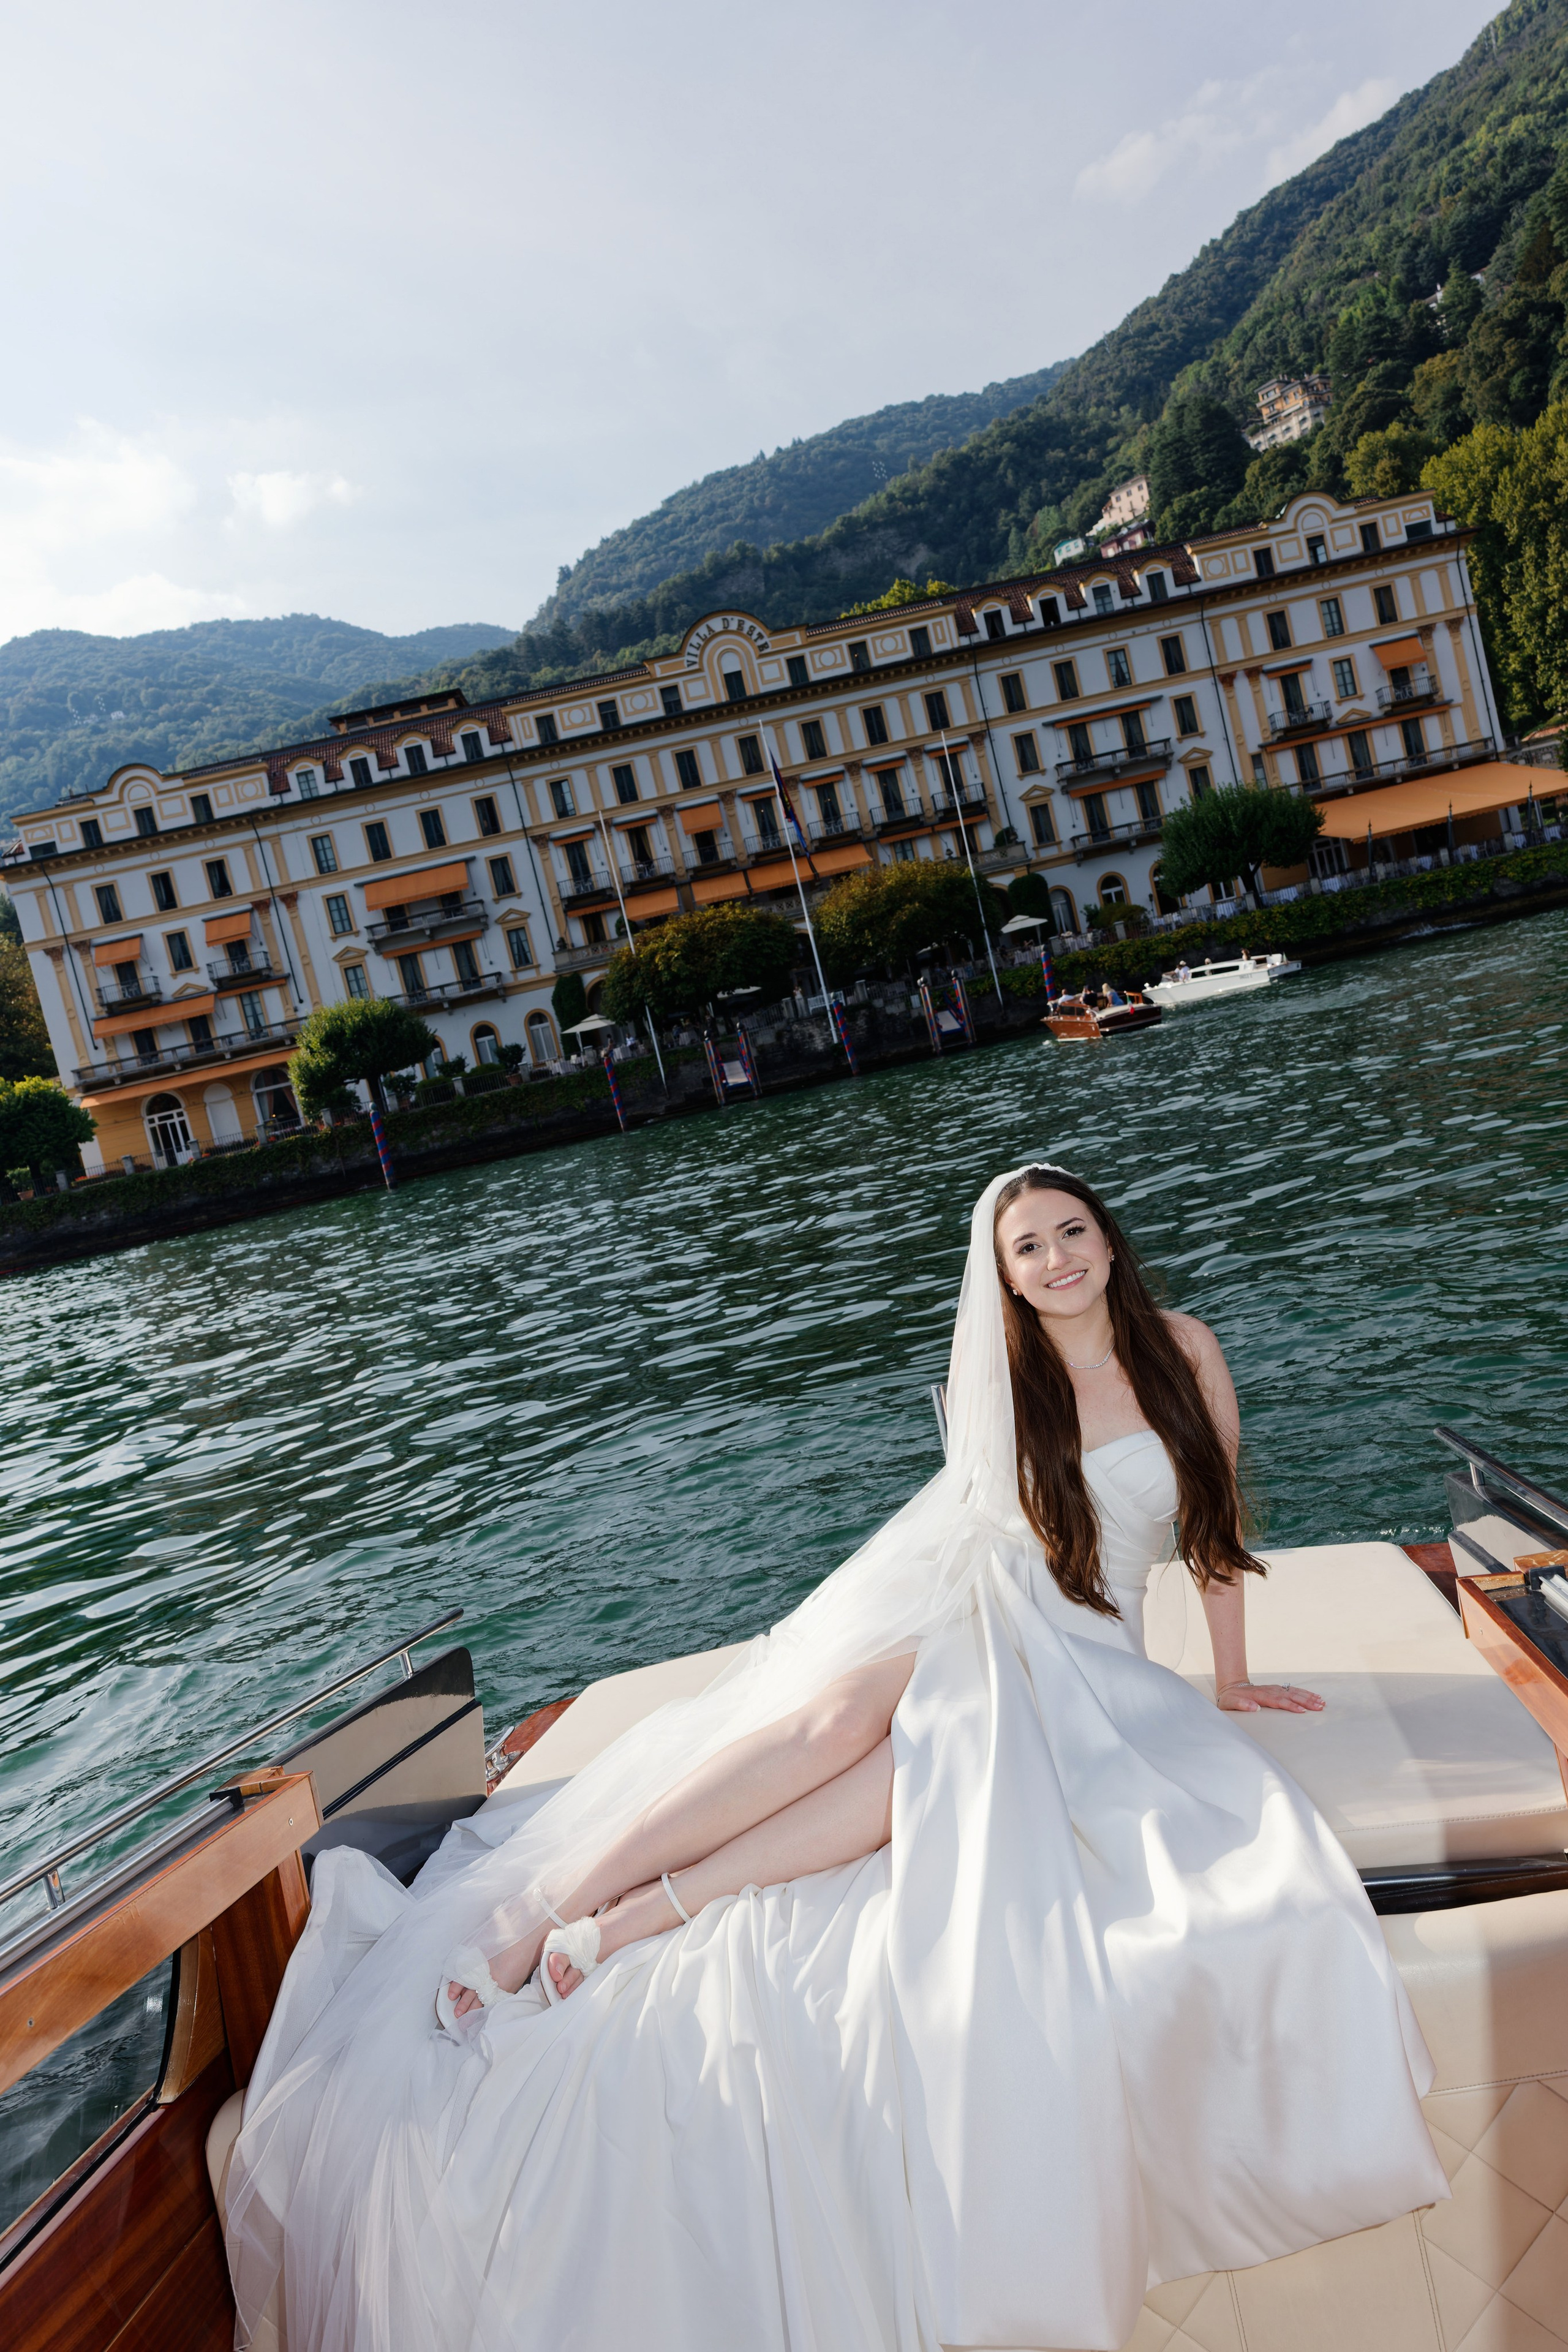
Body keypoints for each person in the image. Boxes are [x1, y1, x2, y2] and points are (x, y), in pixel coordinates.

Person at [226, 1167, 1446, 2352]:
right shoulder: (1001, 1384)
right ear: (1006, 1280)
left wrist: (1227, 1678)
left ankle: (626, 1924)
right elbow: (969, 1538)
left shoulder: (1183, 1348)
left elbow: (1213, 1530)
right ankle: (557, 1904)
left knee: (914, 1782)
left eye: (1070, 1232)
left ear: (1108, 1243)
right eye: (1026, 1248)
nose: (1054, 1258)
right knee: (833, 1729)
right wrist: (905, 1646)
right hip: (994, 1615)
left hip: (1100, 1662)